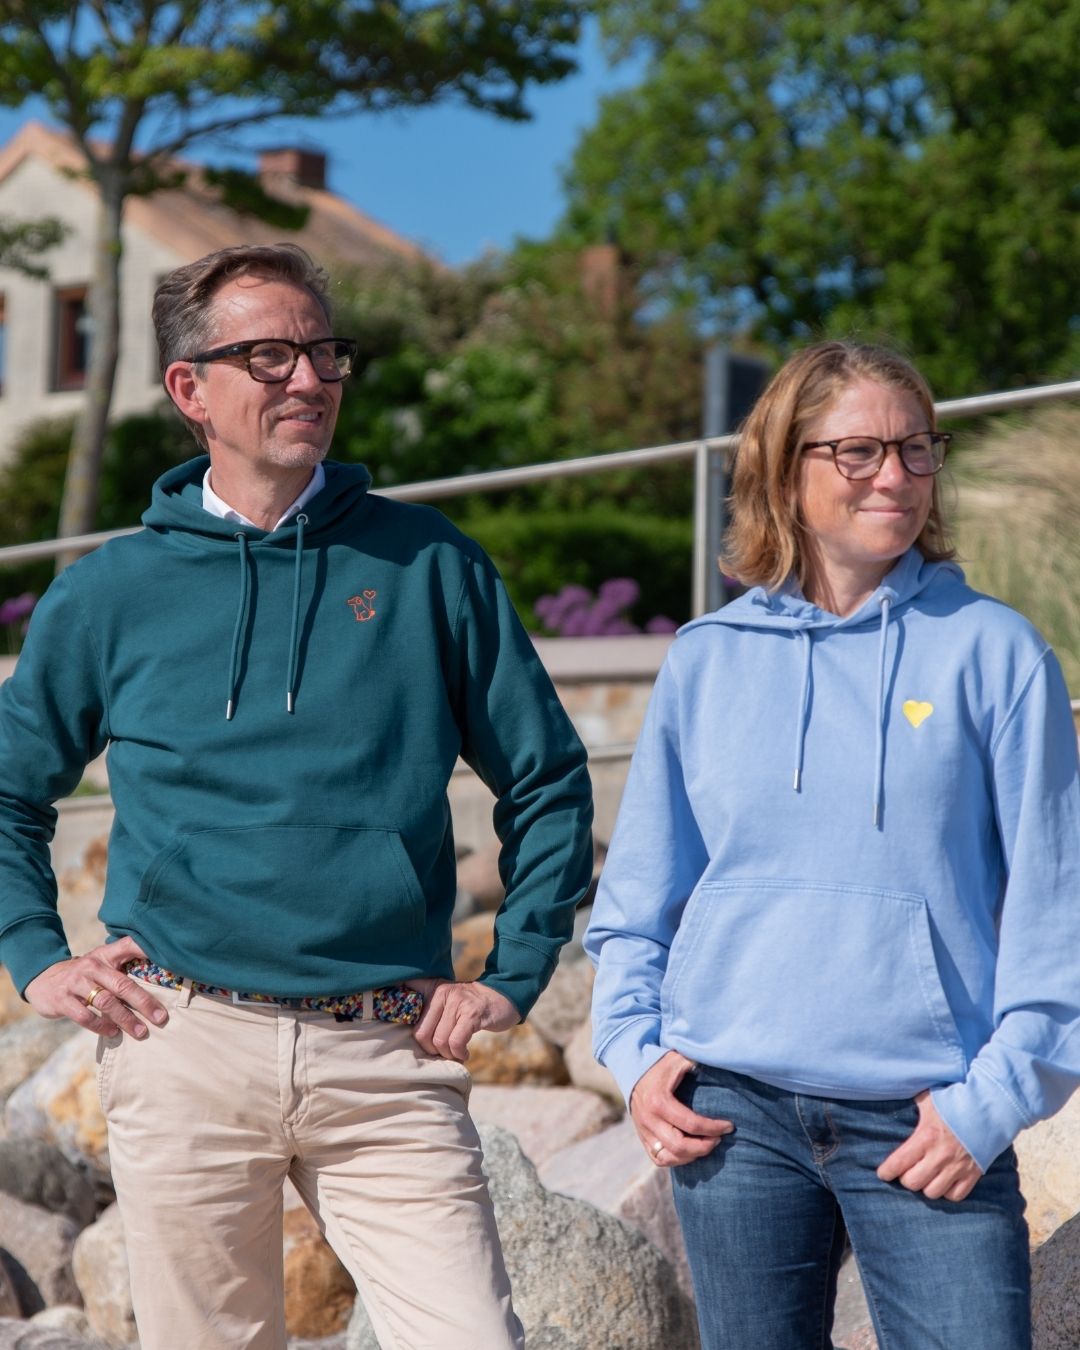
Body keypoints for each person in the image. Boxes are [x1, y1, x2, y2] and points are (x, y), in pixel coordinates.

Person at [0, 242, 594, 1350]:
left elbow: (548, 779)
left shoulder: (430, 566)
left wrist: (514, 975)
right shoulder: (110, 593)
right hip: (181, 1039)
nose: (310, 379)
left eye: (325, 353)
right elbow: (7, 791)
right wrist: (37, 957)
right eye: (270, 357)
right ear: (191, 389)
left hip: (386, 1054)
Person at [586, 341, 1080, 1350]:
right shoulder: (707, 660)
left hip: (926, 1118)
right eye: (858, 451)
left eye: (915, 447)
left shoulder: (996, 654)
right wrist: (634, 1056)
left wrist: (991, 1104)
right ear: (784, 469)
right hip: (733, 1118)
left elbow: (1057, 906)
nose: (894, 475)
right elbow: (639, 897)